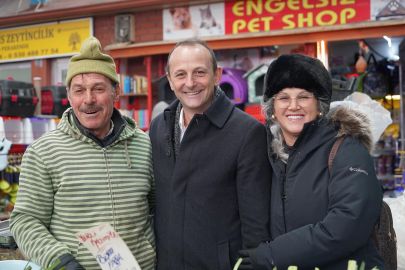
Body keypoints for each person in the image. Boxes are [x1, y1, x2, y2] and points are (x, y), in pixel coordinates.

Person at [10, 37, 156, 270]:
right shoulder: (43, 152)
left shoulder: (143, 144)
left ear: (116, 92)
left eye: (98, 89)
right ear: (69, 94)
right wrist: (60, 261)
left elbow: (158, 208)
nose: (88, 100)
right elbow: (26, 220)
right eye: (79, 90)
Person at [239, 54, 385, 270]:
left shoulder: (346, 150)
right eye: (284, 97)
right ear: (273, 110)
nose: (294, 105)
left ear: (319, 106)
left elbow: (346, 227)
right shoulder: (268, 156)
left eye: (304, 96)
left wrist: (271, 255)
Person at [149, 38, 271, 269]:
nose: (190, 83)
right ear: (170, 81)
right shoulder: (158, 126)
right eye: (181, 74)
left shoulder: (247, 132)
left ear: (217, 76)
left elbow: (255, 226)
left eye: (199, 72)